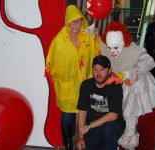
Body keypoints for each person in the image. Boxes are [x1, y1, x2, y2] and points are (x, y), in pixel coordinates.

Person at [45, 5, 100, 150]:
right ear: (67, 22)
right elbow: (50, 61)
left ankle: (86, 143)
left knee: (87, 114)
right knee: (68, 116)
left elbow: (97, 50)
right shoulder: (59, 41)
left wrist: (96, 37)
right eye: (73, 22)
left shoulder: (87, 35)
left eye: (79, 21)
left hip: (85, 84)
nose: (76, 25)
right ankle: (68, 143)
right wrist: (59, 76)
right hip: (67, 85)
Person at [100, 22, 155, 150]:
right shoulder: (107, 50)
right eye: (109, 48)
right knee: (121, 110)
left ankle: (129, 141)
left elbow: (149, 63)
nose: (112, 51)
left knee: (130, 112)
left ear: (123, 43)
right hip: (122, 84)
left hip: (137, 84)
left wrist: (127, 74)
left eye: (115, 47)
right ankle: (123, 136)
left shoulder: (135, 51)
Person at [76, 55, 125, 150]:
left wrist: (88, 126)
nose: (98, 73)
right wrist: (80, 137)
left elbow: (113, 115)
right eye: (95, 69)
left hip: (113, 124)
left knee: (106, 129)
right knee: (83, 146)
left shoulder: (115, 86)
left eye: (102, 69)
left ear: (109, 70)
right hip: (94, 124)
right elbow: (82, 110)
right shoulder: (86, 85)